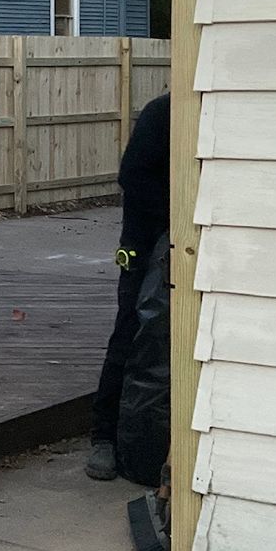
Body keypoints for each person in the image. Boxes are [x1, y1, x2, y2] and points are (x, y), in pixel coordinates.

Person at [86, 90, 170, 481]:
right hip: (144, 243)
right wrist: (177, 215)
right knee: (129, 334)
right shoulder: (163, 113)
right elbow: (132, 176)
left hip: (190, 242)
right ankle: (104, 437)